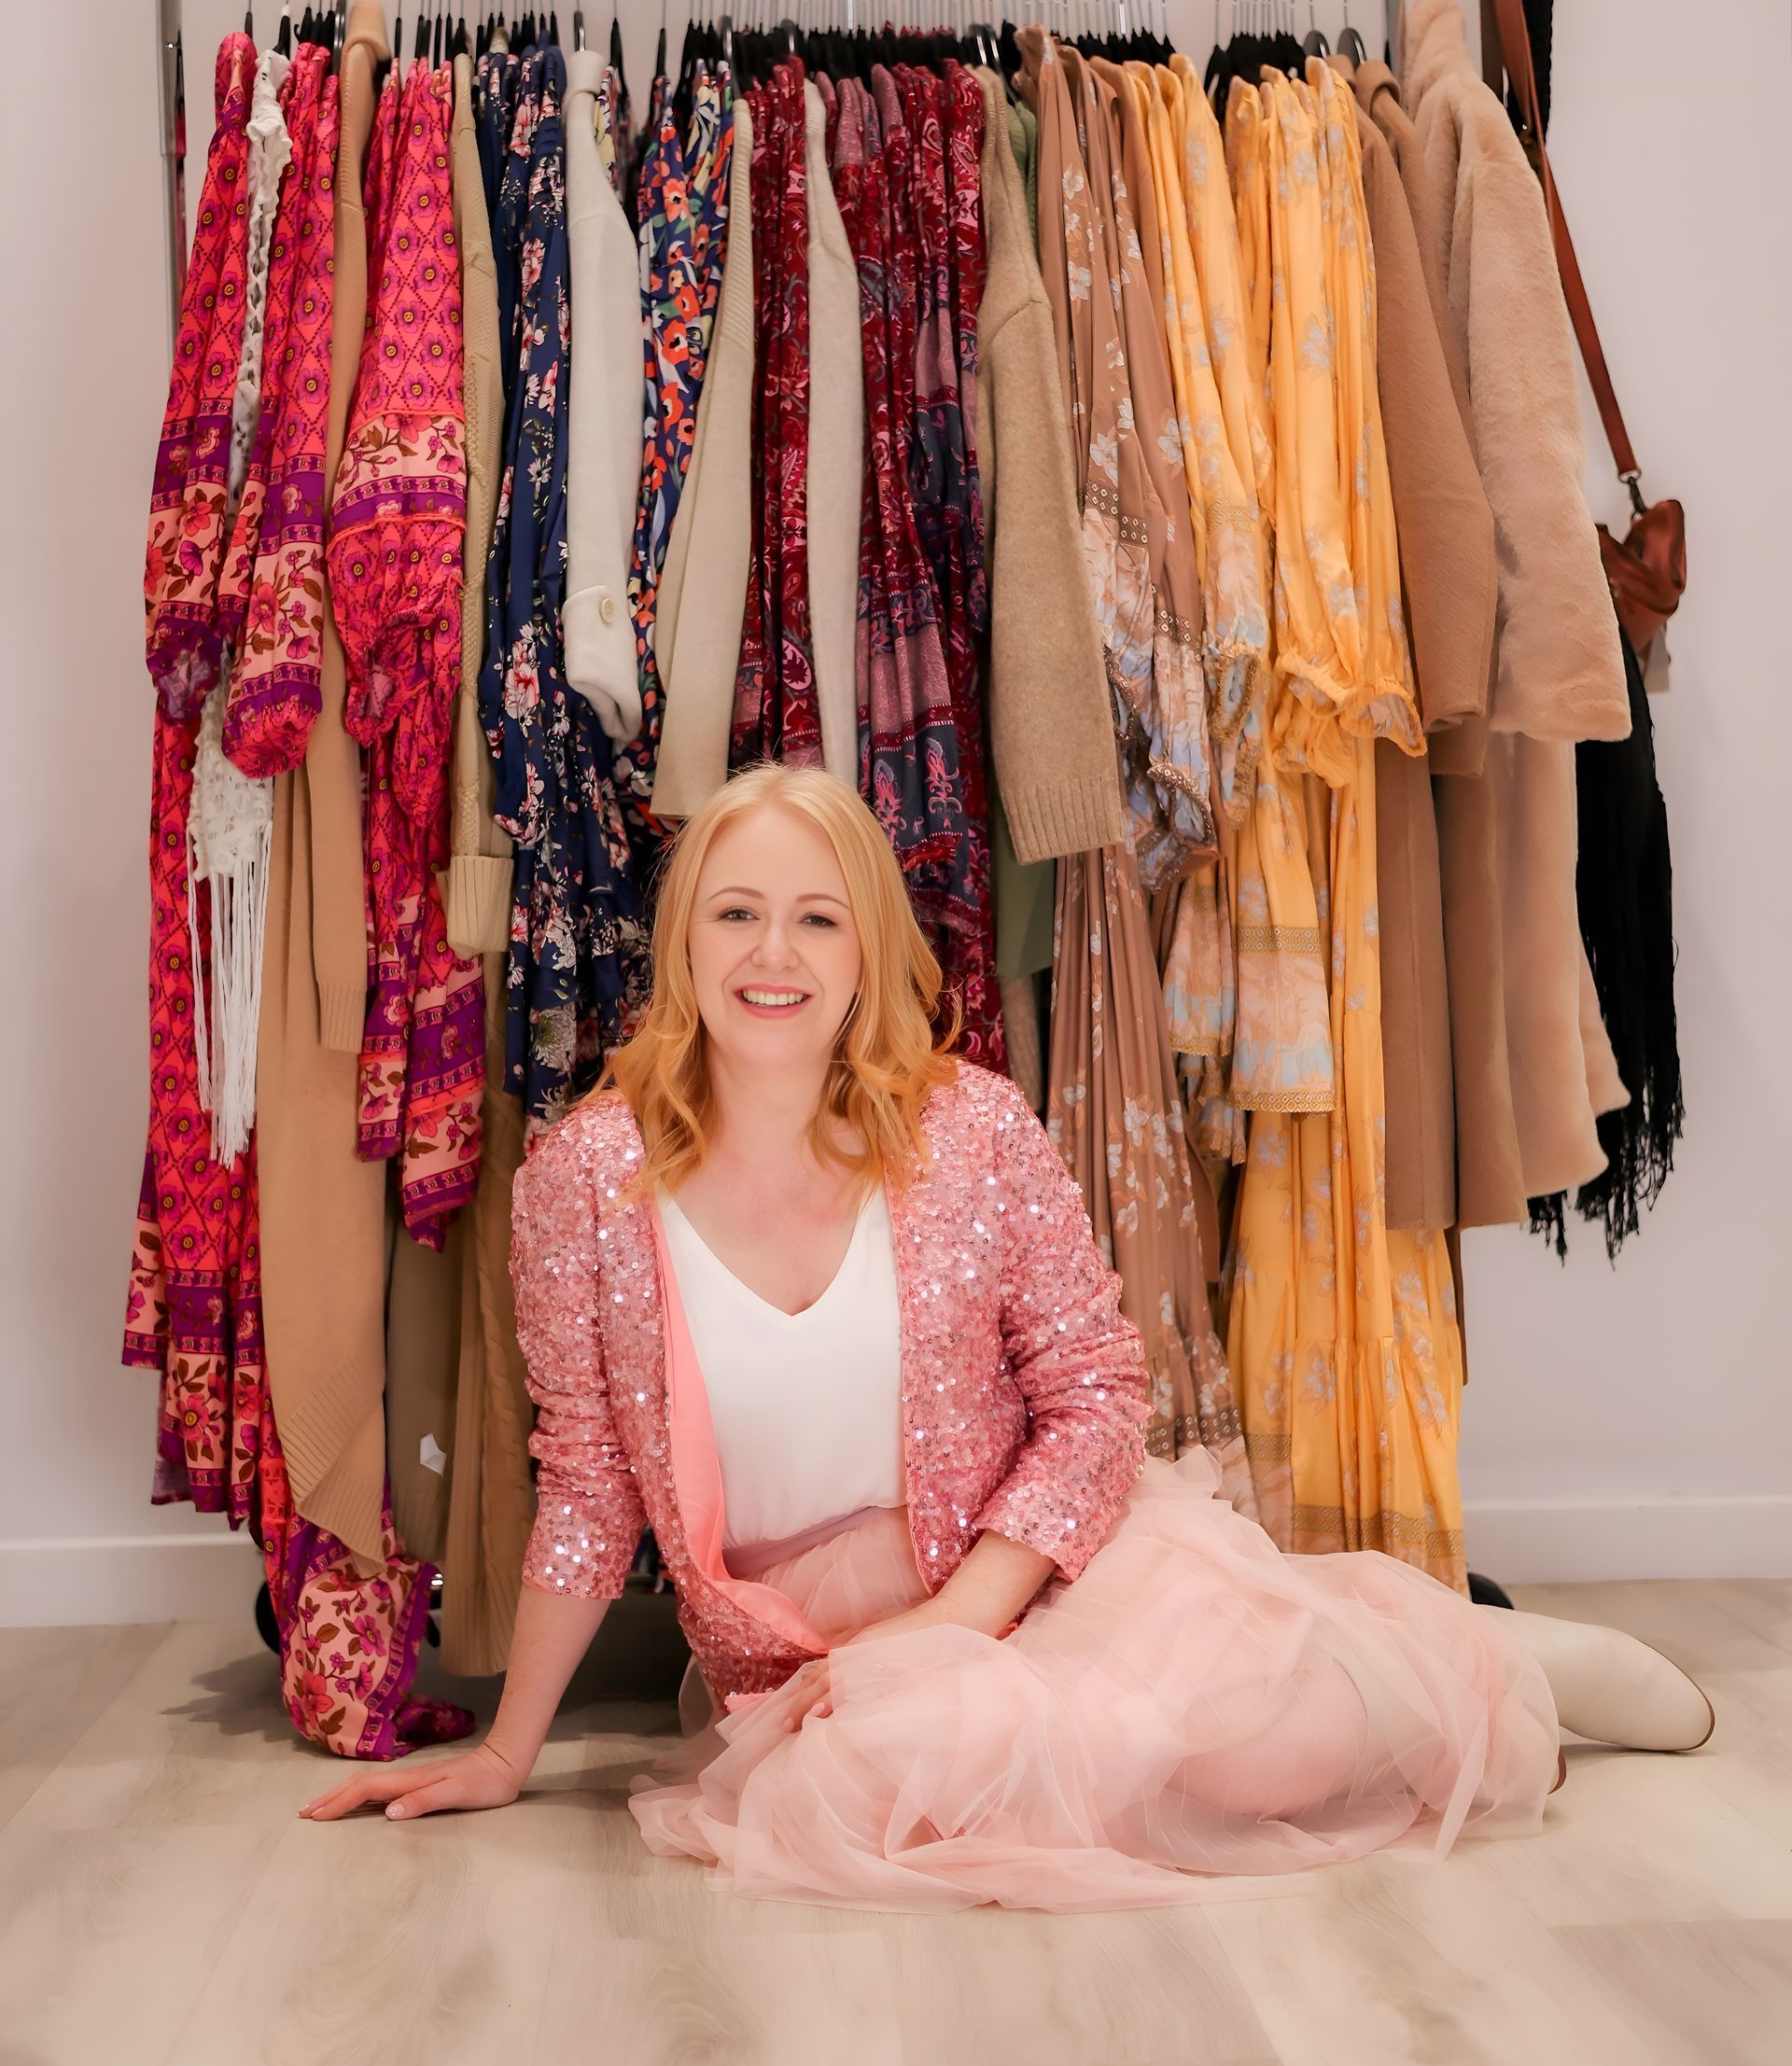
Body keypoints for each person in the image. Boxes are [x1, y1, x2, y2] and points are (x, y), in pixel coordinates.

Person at [303, 764, 1712, 1908]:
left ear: (869, 947)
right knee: (909, 1795)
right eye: (736, 914)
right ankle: (1418, 1686)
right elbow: (589, 1487)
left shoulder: (969, 1127)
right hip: (815, 1654)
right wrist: (509, 1750)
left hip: (1019, 1577)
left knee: (1251, 1757)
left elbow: (1096, 1397)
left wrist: (954, 1624)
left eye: (817, 918)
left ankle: (1499, 1671)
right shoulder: (586, 1180)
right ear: (683, 943)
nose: (774, 955)